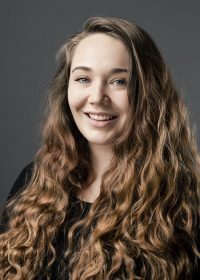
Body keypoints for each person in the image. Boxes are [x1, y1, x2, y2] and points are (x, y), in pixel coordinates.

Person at [0, 16, 199, 280]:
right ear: (66, 88)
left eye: (119, 81)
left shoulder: (186, 205)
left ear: (149, 94)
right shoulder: (33, 182)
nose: (96, 97)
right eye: (83, 79)